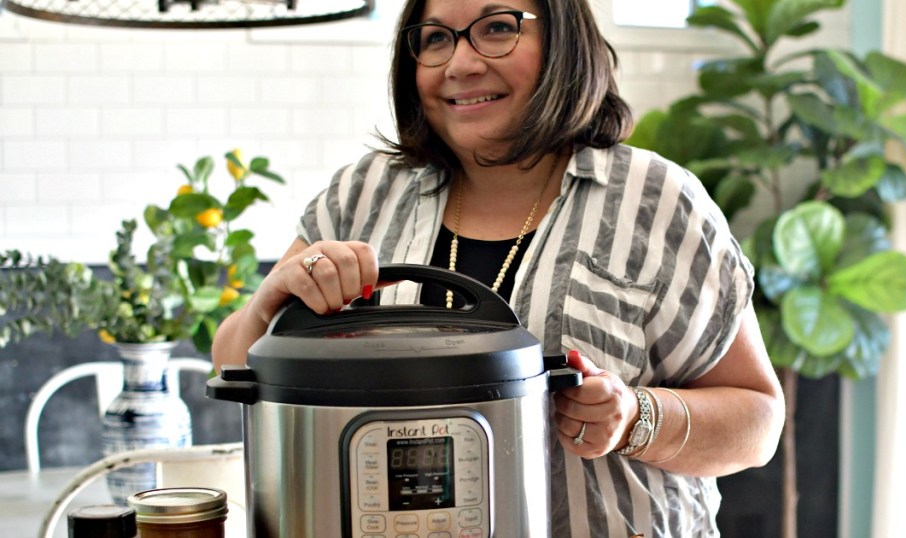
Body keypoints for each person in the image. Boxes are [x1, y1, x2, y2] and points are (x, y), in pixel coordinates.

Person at [211, 0, 785, 535]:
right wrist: (269, 303)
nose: (460, 63)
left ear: (563, 41)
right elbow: (234, 366)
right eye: (435, 38)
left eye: (497, 28)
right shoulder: (361, 196)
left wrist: (635, 416)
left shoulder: (656, 201)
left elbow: (757, 422)